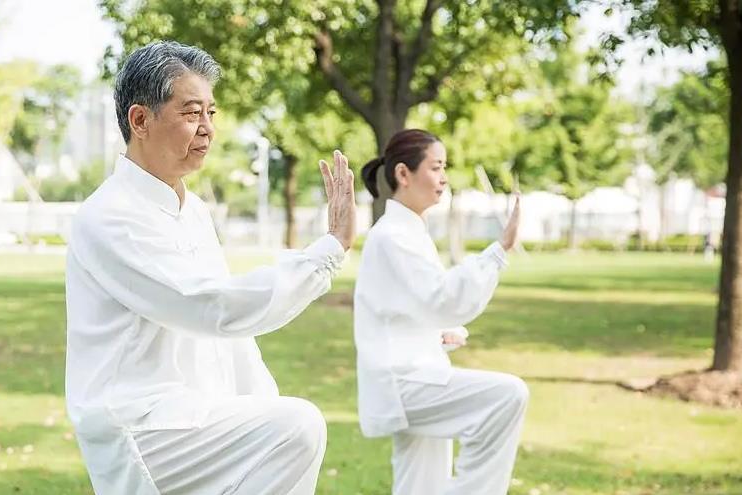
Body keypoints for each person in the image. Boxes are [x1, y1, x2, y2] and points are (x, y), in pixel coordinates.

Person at [64, 40, 356, 495]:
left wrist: (264, 404)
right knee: (297, 426)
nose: (207, 129)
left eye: (211, 114)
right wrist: (328, 251)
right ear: (140, 120)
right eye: (191, 113)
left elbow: (230, 342)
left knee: (288, 426)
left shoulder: (194, 209)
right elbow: (210, 306)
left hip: (196, 418)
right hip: (140, 426)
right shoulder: (108, 217)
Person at [354, 129, 527, 495]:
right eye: (436, 167)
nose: (444, 178)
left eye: (444, 167)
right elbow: (442, 298)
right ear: (404, 174)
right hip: (403, 381)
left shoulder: (407, 231)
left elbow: (405, 308)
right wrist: (499, 250)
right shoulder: (393, 235)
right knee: (507, 396)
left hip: (415, 373)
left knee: (420, 485)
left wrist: (439, 333)